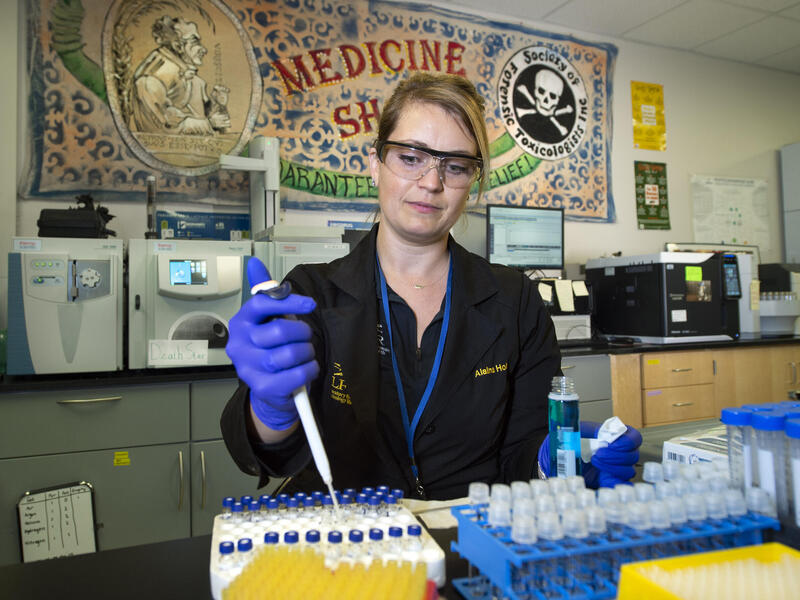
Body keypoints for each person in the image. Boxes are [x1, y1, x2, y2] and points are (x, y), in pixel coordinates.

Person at [221, 72, 640, 500]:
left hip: (472, 537)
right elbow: (266, 455)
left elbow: (522, 454)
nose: (431, 182)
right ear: (375, 163)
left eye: (455, 166)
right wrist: (269, 408)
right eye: (410, 157)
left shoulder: (514, 300)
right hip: (353, 539)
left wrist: (556, 459)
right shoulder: (312, 293)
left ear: (472, 182)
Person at [130, 16, 230, 135]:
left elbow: (215, 129)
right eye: (195, 42)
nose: (203, 49)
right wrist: (209, 124)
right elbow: (159, 129)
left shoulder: (196, 81)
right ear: (178, 46)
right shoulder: (149, 80)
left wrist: (217, 105)